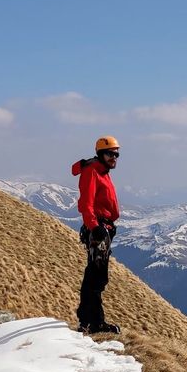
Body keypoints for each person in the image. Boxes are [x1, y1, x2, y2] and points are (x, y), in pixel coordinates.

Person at [71, 136, 122, 335]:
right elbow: (86, 204)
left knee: (95, 275)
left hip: (104, 228)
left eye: (117, 154)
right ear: (100, 154)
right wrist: (95, 227)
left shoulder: (102, 171)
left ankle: (88, 320)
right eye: (110, 153)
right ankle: (93, 322)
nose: (114, 157)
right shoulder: (92, 171)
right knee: (96, 277)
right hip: (98, 229)